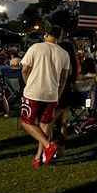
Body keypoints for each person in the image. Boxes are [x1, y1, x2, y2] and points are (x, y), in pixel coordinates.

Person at [20, 25, 71, 169]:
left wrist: (27, 83)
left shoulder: (36, 48)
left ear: (46, 34)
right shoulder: (64, 53)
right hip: (52, 94)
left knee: (26, 122)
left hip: (34, 91)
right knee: (44, 126)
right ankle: (38, 157)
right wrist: (58, 94)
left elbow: (24, 69)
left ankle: (48, 146)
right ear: (59, 37)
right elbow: (63, 78)